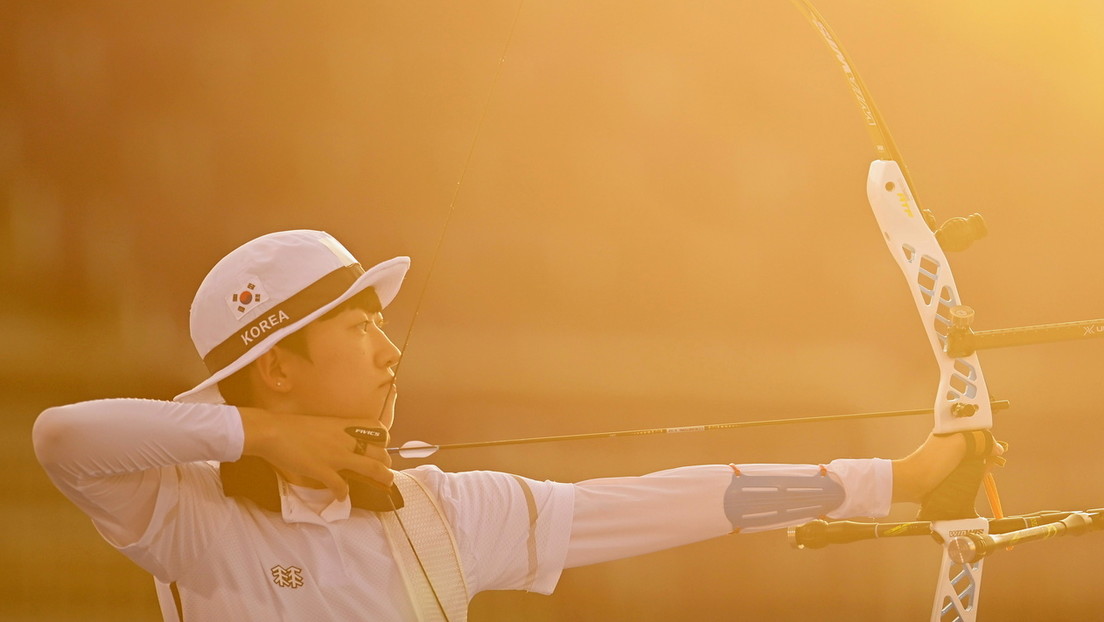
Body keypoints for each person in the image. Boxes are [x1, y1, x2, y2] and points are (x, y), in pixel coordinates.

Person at [33, 229, 998, 621]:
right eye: (359, 328)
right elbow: (62, 438)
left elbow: (681, 501)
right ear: (277, 367)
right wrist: (261, 439)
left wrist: (893, 482)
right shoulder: (190, 517)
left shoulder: (444, 514)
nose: (389, 351)